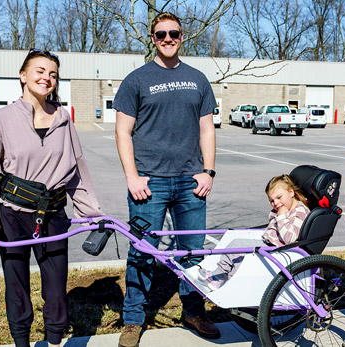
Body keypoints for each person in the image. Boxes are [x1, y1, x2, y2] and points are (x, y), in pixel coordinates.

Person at [0, 48, 104, 347]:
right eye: (40, 71)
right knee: (16, 286)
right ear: (23, 76)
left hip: (54, 215)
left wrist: (92, 214)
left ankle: (54, 341)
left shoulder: (63, 120)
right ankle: (21, 342)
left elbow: (77, 169)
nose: (47, 78)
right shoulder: (2, 118)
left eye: (53, 74)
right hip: (12, 214)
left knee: (56, 289)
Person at [112, 12, 218, 347]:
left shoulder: (198, 79)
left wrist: (209, 171)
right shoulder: (136, 80)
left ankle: (193, 310)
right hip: (149, 185)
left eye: (173, 33)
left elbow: (206, 129)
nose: (168, 39)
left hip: (191, 182)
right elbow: (122, 131)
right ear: (153, 38)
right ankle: (133, 320)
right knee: (142, 252)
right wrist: (132, 176)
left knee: (193, 254)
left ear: (182, 36)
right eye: (161, 34)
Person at [198, 174, 310, 290]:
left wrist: (281, 216)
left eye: (279, 197)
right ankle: (219, 276)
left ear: (291, 192)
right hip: (270, 245)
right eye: (272, 200)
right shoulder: (285, 208)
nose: (276, 203)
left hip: (278, 250)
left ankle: (220, 278)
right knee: (236, 244)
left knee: (238, 249)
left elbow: (289, 238)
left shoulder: (300, 212)